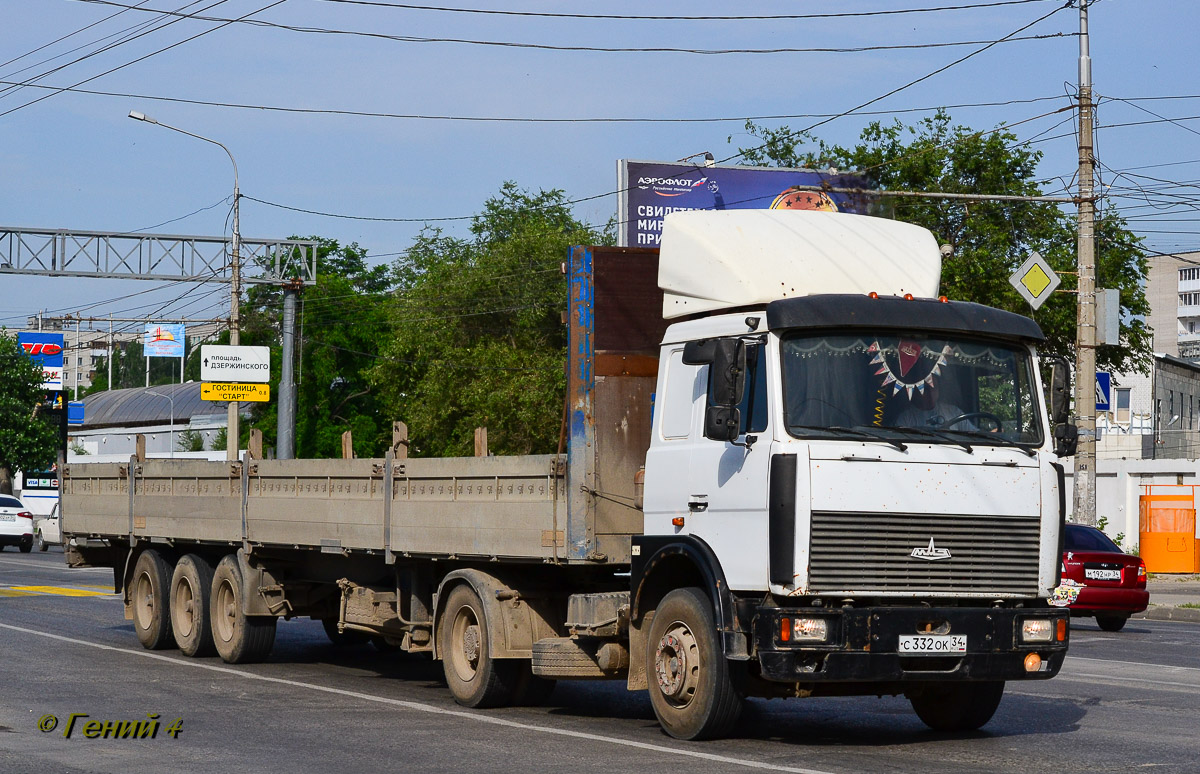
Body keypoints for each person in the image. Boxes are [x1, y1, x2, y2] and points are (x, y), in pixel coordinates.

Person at [894, 380, 976, 431]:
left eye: (934, 388)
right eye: (926, 389)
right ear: (916, 391)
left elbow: (974, 435)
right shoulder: (906, 418)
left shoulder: (954, 412)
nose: (930, 393)